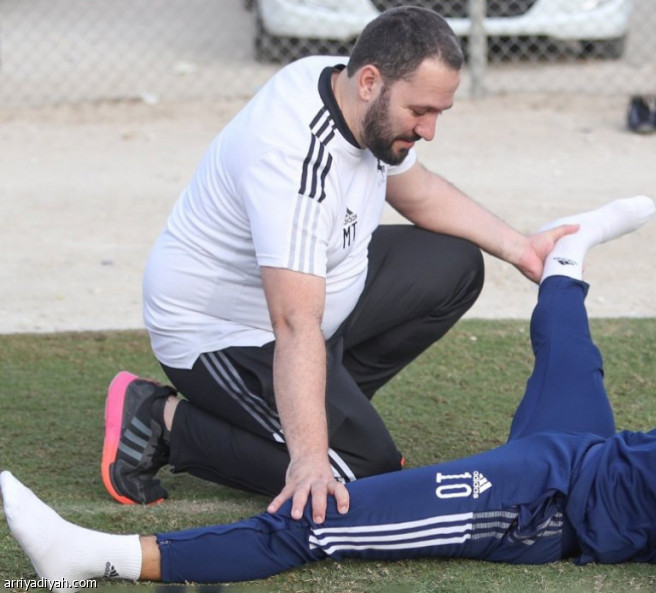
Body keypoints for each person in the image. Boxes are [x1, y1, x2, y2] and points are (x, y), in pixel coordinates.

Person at [3, 198, 656, 593]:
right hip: (591, 451)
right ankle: (567, 256)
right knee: (571, 354)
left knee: (328, 515)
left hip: (548, 501)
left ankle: (101, 558)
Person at [101, 5, 578, 526]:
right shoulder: (293, 163)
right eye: (421, 111)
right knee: (362, 474)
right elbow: (293, 322)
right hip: (223, 332)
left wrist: (520, 248)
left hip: (313, 299)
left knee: (456, 264)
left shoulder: (349, 89)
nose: (430, 129)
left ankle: (316, 407)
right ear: (370, 82)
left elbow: (419, 193)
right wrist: (310, 458)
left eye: (439, 112)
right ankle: (162, 420)